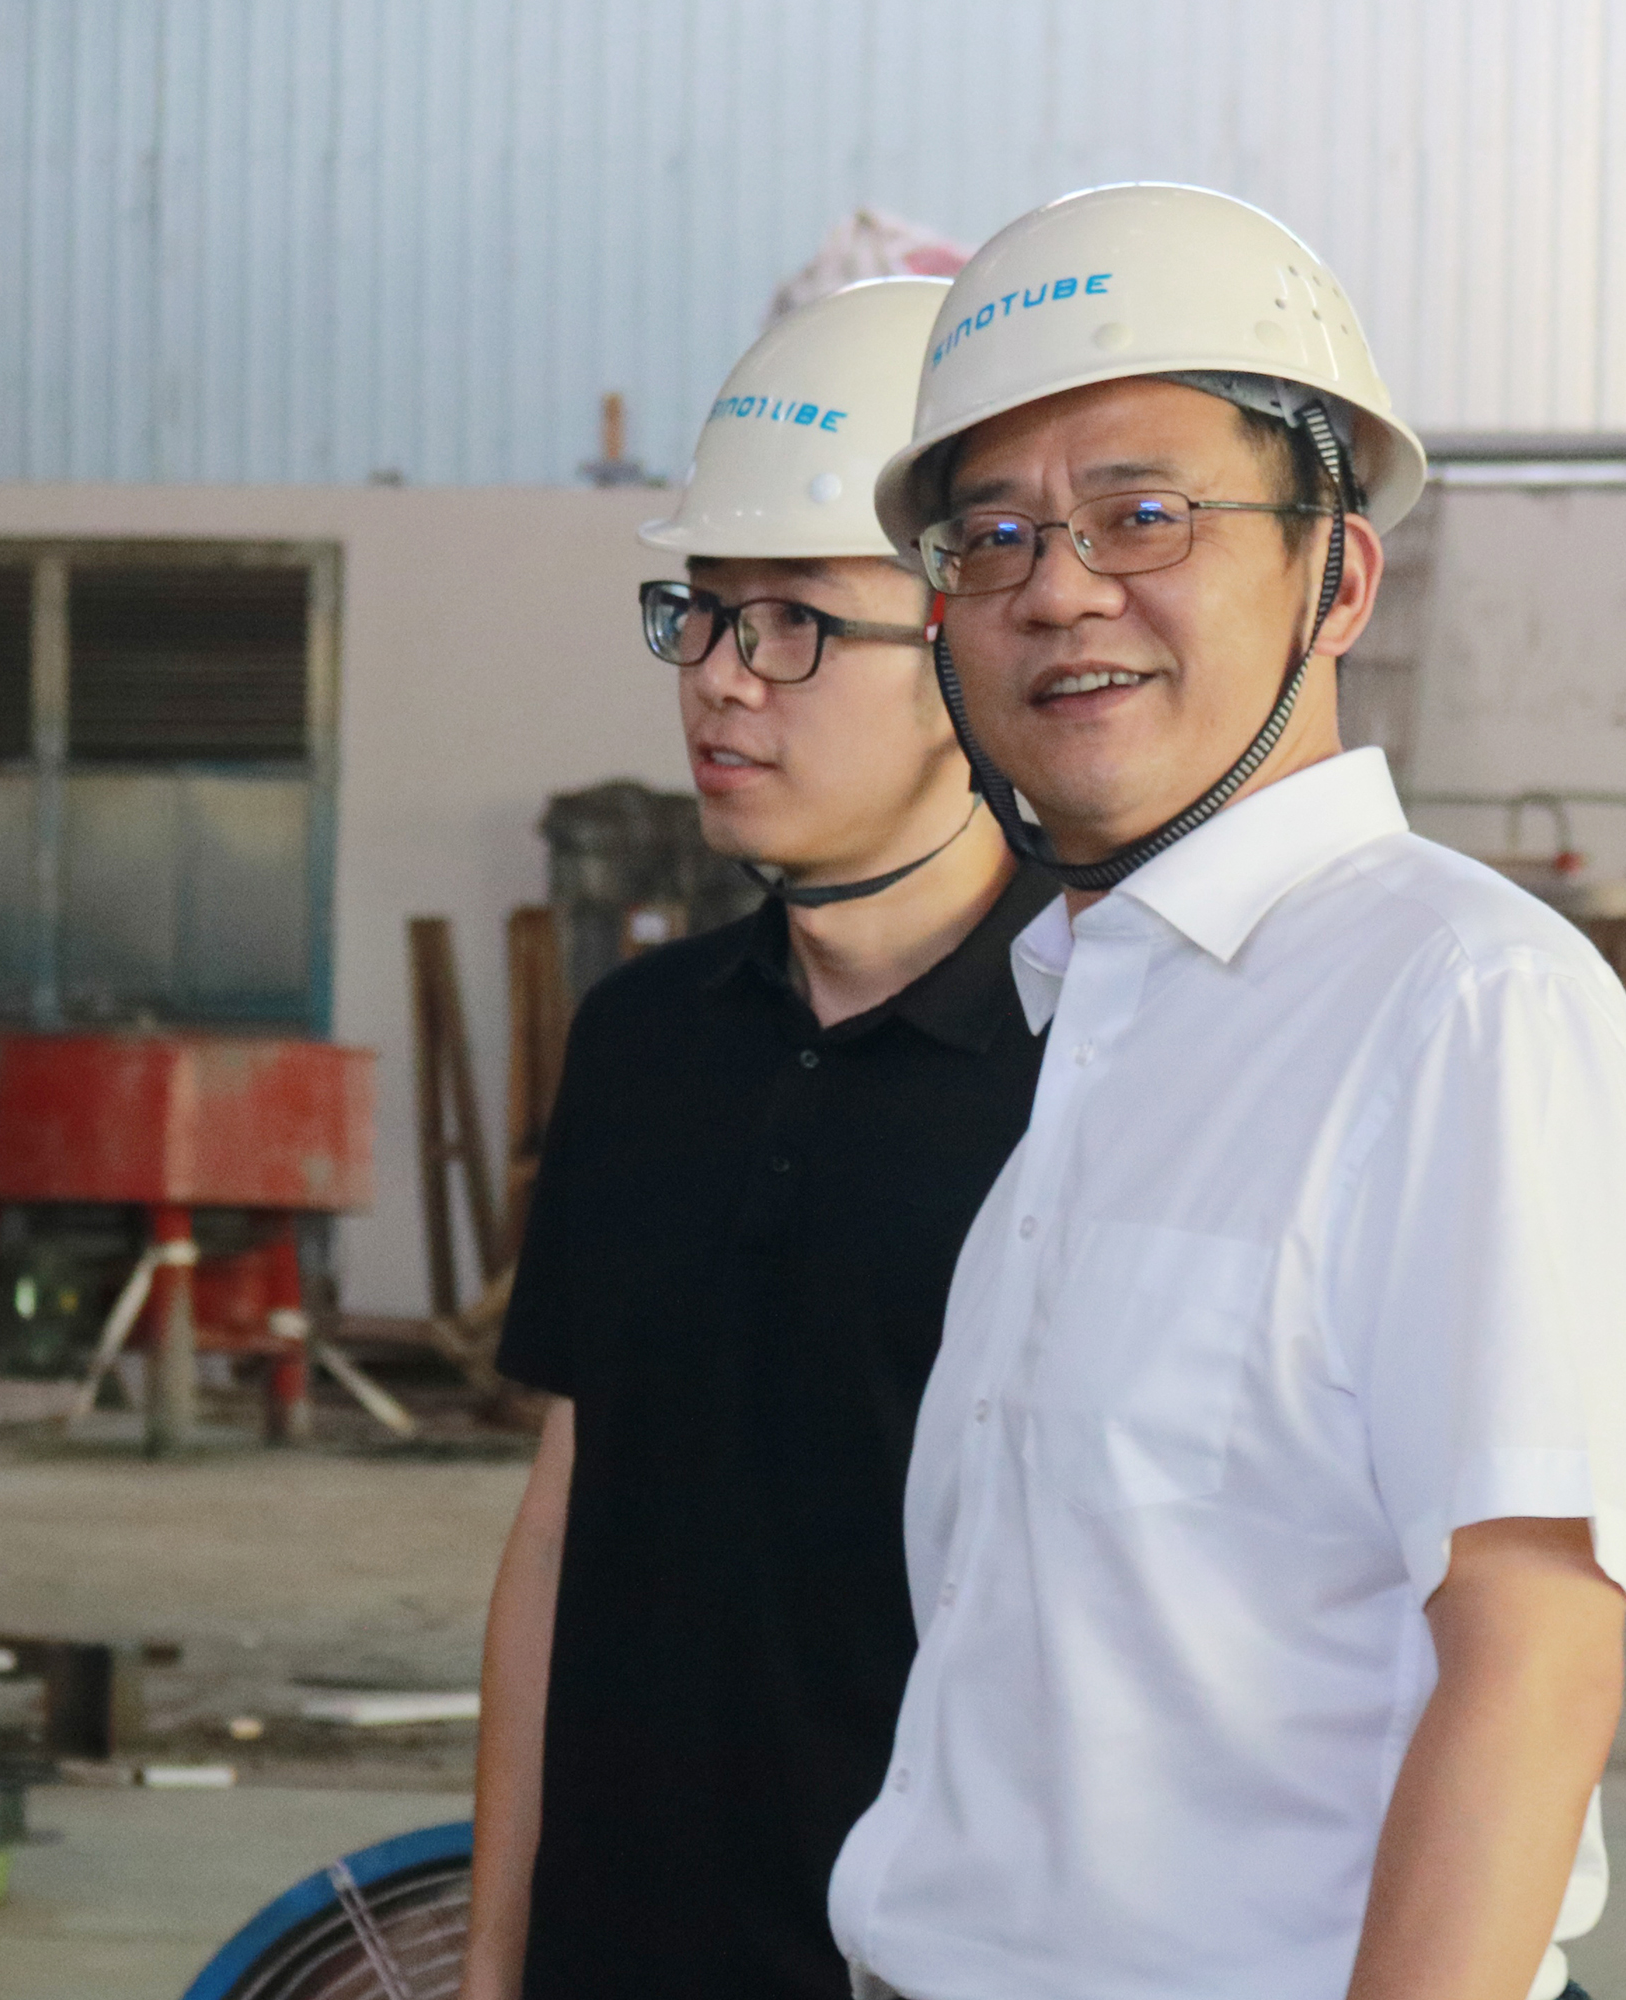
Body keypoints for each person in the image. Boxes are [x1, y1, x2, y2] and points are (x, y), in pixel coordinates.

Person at [825, 183, 1626, 2000]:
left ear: (1337, 579)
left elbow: (1531, 1654)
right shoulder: (1099, 1023)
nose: (1060, 587)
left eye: (1144, 515)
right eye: (993, 536)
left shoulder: (1464, 1006)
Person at [460, 276, 1053, 2000]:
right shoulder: (644, 1042)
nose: (721, 685)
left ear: (963, 652)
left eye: (794, 624)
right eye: (701, 617)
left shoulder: (1100, 1053)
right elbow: (562, 1527)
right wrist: (496, 1959)